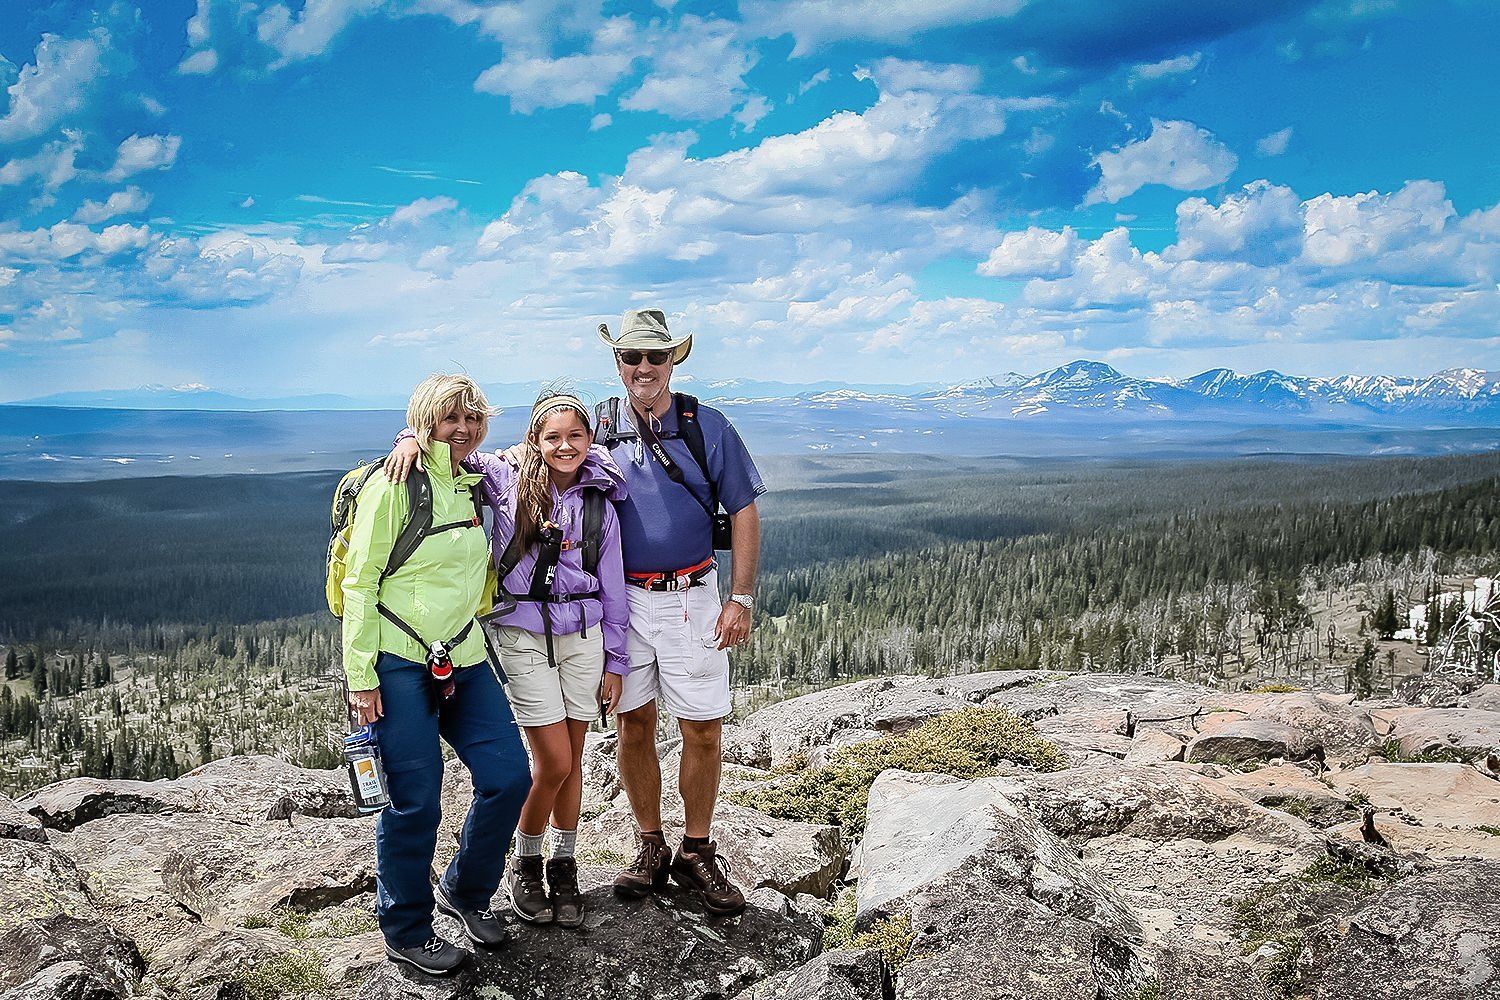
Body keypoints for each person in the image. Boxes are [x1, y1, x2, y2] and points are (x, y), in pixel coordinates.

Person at [383, 390, 628, 930]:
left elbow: (614, 588)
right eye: (552, 437)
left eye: (576, 436)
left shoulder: (601, 501)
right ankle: (526, 863)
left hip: (583, 635)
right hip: (521, 632)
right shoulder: (507, 479)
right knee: (555, 763)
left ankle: (563, 864)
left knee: (575, 759)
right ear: (533, 442)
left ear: (590, 440)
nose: (566, 447)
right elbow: (452, 448)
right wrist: (408, 437)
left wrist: (616, 661)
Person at [342, 374, 529, 976]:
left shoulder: (478, 482)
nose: (464, 430)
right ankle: (406, 928)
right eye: (450, 419)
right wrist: (360, 675)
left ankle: (467, 891)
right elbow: (361, 582)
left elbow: (560, 446)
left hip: (464, 657)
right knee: (414, 803)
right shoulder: (393, 485)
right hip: (397, 662)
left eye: (474, 419)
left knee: (507, 778)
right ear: (424, 423)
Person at [595, 308, 763, 917]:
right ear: (617, 363)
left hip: (693, 595)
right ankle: (650, 845)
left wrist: (740, 598)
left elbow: (743, 510)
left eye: (654, 357)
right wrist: (414, 440)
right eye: (631, 357)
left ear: (673, 361)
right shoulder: (593, 426)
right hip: (623, 603)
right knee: (632, 725)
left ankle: (695, 849)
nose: (643, 368)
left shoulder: (706, 426)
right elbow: (528, 465)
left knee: (702, 727)